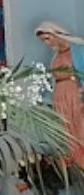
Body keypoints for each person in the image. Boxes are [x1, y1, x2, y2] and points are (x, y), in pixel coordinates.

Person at [35, 21, 84, 169]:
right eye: (43, 41)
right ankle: (76, 165)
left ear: (55, 34)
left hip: (74, 93)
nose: (47, 43)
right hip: (59, 97)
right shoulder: (55, 56)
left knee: (79, 126)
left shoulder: (77, 49)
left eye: (47, 38)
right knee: (66, 132)